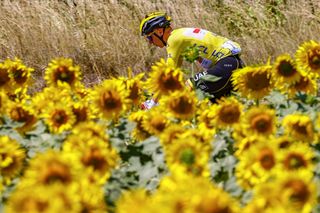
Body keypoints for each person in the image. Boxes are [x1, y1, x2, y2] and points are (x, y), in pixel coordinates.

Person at [139, 11, 245, 108]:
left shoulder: (173, 40)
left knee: (189, 87)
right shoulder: (180, 36)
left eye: (149, 37)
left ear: (159, 31)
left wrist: (152, 103)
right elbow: (176, 75)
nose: (150, 42)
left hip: (227, 64)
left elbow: (167, 76)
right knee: (217, 109)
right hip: (233, 64)